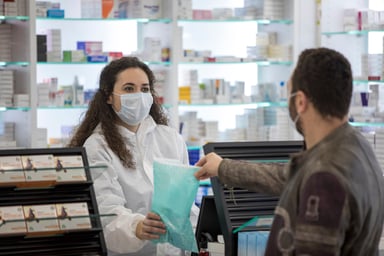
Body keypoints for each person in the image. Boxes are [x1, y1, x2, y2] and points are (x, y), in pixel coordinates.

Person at [194, 47, 384, 255]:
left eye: (289, 94)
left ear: (300, 102)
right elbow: (289, 177)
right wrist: (223, 167)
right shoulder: (354, 146)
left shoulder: (325, 177)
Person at [68, 56, 199, 256]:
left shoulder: (170, 138)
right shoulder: (97, 146)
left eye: (145, 89)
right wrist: (137, 227)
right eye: (129, 89)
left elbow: (186, 205)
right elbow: (106, 213)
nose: (138, 95)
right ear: (109, 96)